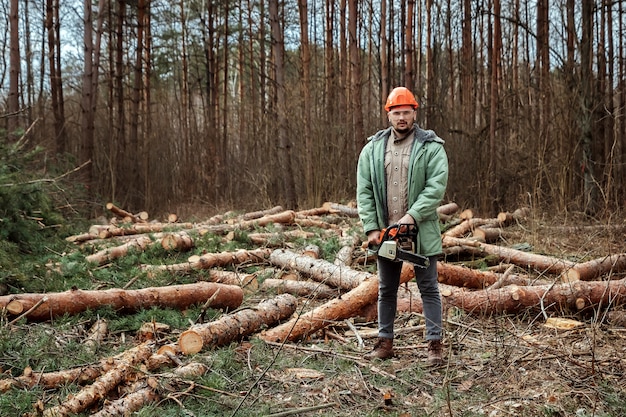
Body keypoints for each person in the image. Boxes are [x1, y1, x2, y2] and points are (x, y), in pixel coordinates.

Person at [356, 86, 449, 366]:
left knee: (429, 288)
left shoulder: (431, 147)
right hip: (386, 234)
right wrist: (372, 228)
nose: (401, 118)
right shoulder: (372, 149)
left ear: (414, 113)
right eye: (396, 113)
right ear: (388, 114)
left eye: (406, 112)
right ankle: (385, 343)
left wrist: (413, 215)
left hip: (420, 231)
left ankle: (434, 346)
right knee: (386, 289)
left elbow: (436, 187)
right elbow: (365, 190)